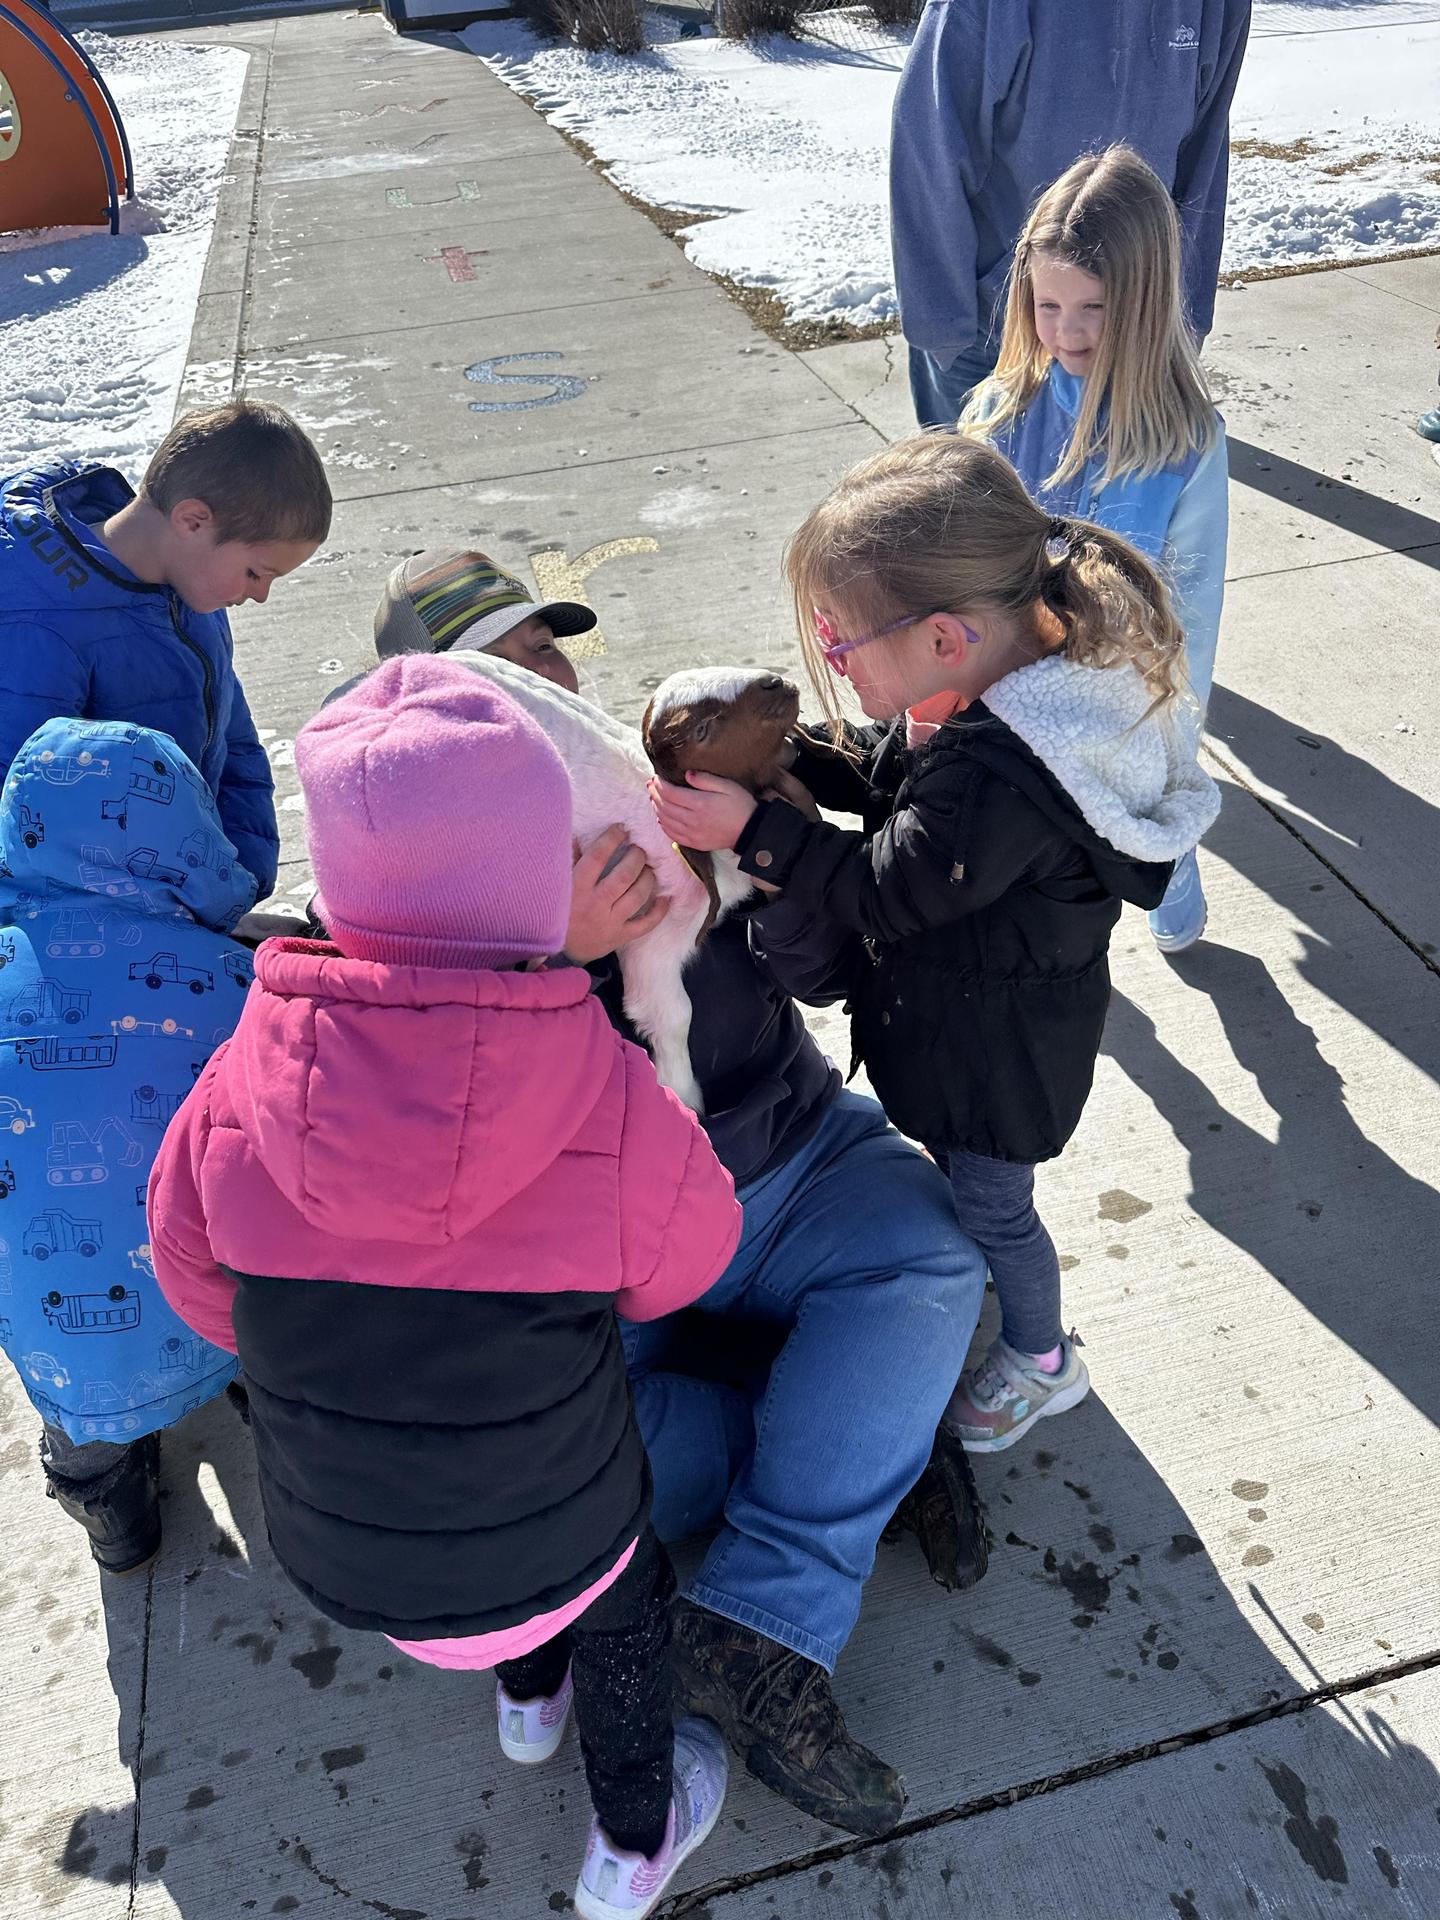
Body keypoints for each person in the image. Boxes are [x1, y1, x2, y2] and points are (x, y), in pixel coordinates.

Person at [368, 553, 991, 1840]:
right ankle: (861, 1433)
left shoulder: (663, 786)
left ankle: (763, 1628)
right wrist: (564, 952)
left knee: (934, 1256)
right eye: (505, 662)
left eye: (551, 649)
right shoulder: (410, 871)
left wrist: (763, 857)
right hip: (608, 1238)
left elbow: (821, 980)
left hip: (796, 1159)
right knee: (597, 1486)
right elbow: (440, 1106)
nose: (544, 680)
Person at [148, 657, 740, 1920]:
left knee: (487, 1524)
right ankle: (632, 1845)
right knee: (624, 1604)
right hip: (568, 1541)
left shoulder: (234, 1086)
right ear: (542, 878)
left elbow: (196, 1285)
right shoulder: (600, 1084)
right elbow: (688, 1263)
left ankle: (528, 1702)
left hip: (346, 1564)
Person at [651, 435, 1219, 1458]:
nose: (831, 662)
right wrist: (794, 763)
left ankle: (1044, 1360)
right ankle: (1003, 1313)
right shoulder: (991, 701)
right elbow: (900, 788)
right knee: (966, 1193)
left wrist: (759, 832)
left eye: (842, 646)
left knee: (996, 1211)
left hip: (998, 1063)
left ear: (947, 640)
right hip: (973, 1023)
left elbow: (890, 885)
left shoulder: (1005, 772)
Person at [0, 716, 258, 1572]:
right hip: (210, 1300)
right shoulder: (232, 982)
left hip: (53, 1329)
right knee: (249, 1328)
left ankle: (118, 1528)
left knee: (76, 1419)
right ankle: (273, 1421)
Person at [961, 146, 1228, 953]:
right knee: (1041, 865)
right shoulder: (1000, 411)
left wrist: (1176, 734)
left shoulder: (1186, 441)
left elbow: (1195, 601)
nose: (1066, 331)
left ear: (1143, 302)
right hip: (1015, 687)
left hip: (1124, 699)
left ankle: (1168, 862)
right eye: (1048, 305)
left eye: (1094, 307)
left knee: (1127, 819)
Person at [0, 398, 333, 901]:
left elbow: (233, 735)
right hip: (107, 930)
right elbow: (22, 824)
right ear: (193, 520)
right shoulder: (44, 629)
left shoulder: (191, 590)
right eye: (255, 572)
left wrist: (240, 876)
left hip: (193, 902)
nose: (260, 595)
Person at [890, 0, 1252, 429]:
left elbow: (1203, 155)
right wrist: (944, 325)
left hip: (1132, 329)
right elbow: (928, 145)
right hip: (992, 330)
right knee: (971, 492)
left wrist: (1184, 320)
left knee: (1114, 493)